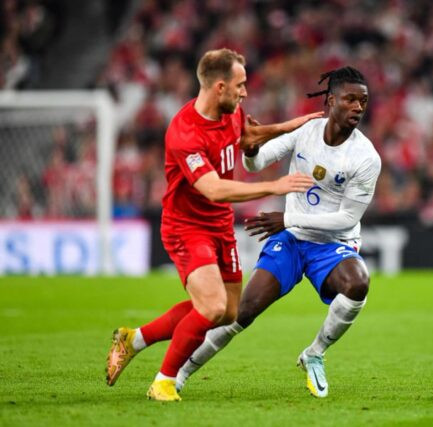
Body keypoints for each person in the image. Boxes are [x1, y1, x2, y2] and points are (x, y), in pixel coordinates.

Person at [105, 48, 321, 401]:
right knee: (210, 306)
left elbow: (245, 138)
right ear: (219, 86)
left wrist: (288, 127)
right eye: (241, 85)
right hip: (187, 227)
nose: (246, 92)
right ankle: (163, 381)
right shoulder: (184, 132)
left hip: (220, 226)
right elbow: (213, 189)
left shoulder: (230, 112)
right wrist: (273, 186)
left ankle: (135, 339)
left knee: (228, 312)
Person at [177, 66, 381, 398]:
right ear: (331, 101)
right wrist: (252, 146)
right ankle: (180, 373)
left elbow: (346, 219)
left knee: (358, 283)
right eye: (350, 99)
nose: (358, 107)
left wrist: (289, 220)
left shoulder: (366, 157)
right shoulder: (306, 131)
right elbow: (254, 165)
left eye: (364, 101)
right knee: (243, 311)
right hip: (293, 240)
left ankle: (314, 353)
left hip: (333, 244)